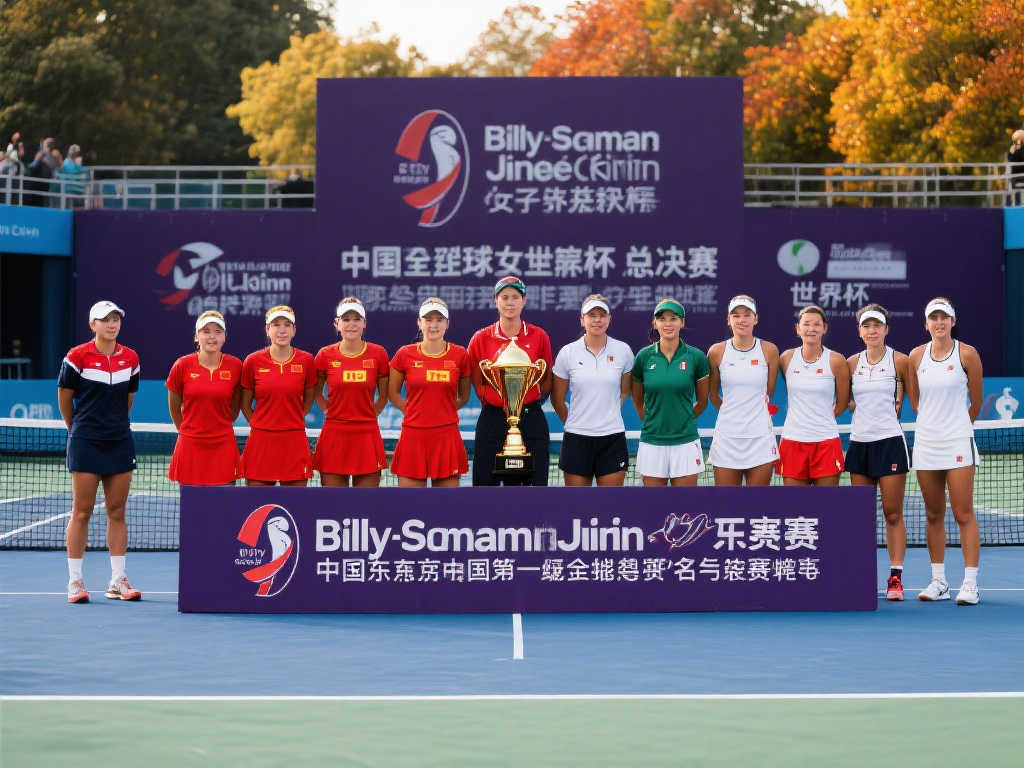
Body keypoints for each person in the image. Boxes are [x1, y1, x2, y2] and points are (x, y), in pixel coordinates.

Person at [57, 300, 142, 604]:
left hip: (119, 440)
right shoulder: (76, 357)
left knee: (117, 511)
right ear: (92, 325)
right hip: (86, 440)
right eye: (105, 319)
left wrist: (113, 426)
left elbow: (127, 400)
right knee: (82, 511)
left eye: (115, 318)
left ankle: (118, 581)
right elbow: (65, 398)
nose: (112, 324)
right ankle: (75, 582)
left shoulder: (131, 358)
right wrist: (78, 429)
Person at [907, 297, 983, 605]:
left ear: (953, 321)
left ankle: (970, 583)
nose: (939, 323)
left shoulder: (967, 354)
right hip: (927, 444)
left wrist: (957, 427)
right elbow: (916, 401)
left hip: (958, 442)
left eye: (944, 317)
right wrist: (933, 425)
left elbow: (976, 400)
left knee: (963, 512)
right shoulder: (915, 356)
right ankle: (939, 581)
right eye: (934, 318)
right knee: (933, 513)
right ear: (926, 324)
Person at [845, 304, 912, 600]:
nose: (872, 331)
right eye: (866, 326)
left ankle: (895, 578)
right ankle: (861, 576)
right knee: (861, 515)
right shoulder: (850, 363)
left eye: (877, 325)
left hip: (890, 443)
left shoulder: (900, 361)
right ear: (859, 331)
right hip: (859, 444)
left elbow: (912, 395)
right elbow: (847, 401)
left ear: (886, 329)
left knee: (892, 513)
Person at [467, 276, 553, 486]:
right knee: (485, 486)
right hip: (493, 419)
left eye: (515, 297)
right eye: (504, 297)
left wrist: (530, 401)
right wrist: (494, 400)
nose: (510, 302)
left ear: (524, 301)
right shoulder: (480, 338)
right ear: (496, 301)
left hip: (530, 419)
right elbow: (477, 381)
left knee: (534, 487)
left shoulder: (539, 336)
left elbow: (546, 378)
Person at [551, 294, 634, 486]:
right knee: (578, 502)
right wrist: (576, 422)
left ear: (609, 319)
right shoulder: (567, 353)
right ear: (582, 319)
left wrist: (607, 414)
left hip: (612, 438)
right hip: (576, 439)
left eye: (602, 315)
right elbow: (557, 399)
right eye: (592, 315)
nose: (597, 320)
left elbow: (624, 391)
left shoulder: (623, 351)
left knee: (611, 501)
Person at [389, 298, 472, 487]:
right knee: (410, 503)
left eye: (439, 320)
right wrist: (414, 412)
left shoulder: (460, 355)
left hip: (446, 437)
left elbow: (464, 396)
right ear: (419, 322)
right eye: (428, 319)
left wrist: (442, 412)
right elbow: (392, 394)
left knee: (446, 504)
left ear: (447, 324)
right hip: (413, 437)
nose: (433, 325)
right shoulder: (404, 354)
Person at [630, 298, 710, 487]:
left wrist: (683, 420)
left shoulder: (696, 357)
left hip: (686, 442)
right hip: (652, 442)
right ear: (655, 323)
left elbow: (702, 402)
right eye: (662, 319)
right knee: (654, 502)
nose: (668, 324)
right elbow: (638, 401)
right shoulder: (643, 357)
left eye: (673, 318)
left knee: (685, 503)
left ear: (682, 322)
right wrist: (653, 423)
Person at [313, 297, 390, 487]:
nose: (351, 324)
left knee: (366, 502)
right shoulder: (324, 355)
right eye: (346, 319)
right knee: (332, 501)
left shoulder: (379, 353)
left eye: (357, 319)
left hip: (367, 434)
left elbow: (384, 395)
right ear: (337, 324)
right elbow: (316, 391)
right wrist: (328, 410)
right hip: (334, 434)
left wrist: (371, 413)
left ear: (364, 323)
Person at [706, 295, 780, 486]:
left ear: (756, 319)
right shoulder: (716, 351)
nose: (742, 320)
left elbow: (769, 392)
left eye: (747, 315)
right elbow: (713, 395)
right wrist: (733, 413)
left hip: (761, 439)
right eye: (736, 315)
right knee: (726, 501)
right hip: (727, 439)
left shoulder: (770, 350)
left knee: (758, 501)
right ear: (728, 320)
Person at [240, 306, 317, 486]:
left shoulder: (307, 361)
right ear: (267, 329)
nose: (282, 330)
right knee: (257, 501)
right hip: (261, 442)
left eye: (287, 325)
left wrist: (292, 420)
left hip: (294, 441)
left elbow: (309, 399)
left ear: (294, 330)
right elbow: (245, 404)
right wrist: (262, 425)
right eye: (276, 325)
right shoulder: (252, 361)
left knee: (295, 502)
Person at [165, 311, 242, 486]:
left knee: (225, 502)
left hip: (224, 447)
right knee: (192, 503)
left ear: (224, 337)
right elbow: (175, 409)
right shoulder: (182, 365)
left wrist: (218, 429)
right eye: (206, 331)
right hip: (190, 448)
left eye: (217, 331)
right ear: (196, 336)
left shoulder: (236, 366)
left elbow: (234, 409)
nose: (212, 336)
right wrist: (190, 433)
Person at [777, 305, 850, 486]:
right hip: (792, 441)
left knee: (826, 502)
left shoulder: (837, 360)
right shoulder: (786, 358)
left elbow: (842, 404)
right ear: (798, 328)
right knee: (794, 503)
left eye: (817, 324)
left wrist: (820, 420)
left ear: (824, 328)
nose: (811, 329)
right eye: (806, 324)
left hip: (826, 442)